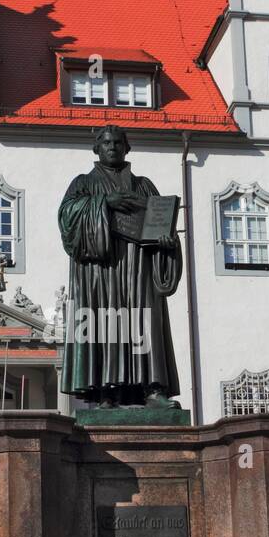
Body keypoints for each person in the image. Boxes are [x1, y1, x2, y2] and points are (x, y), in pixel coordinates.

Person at [58, 125, 182, 407]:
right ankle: (106, 392)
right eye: (106, 143)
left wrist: (167, 243)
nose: (112, 147)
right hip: (100, 270)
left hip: (139, 268)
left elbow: (163, 224)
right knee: (105, 321)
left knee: (144, 321)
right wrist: (103, 203)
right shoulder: (82, 184)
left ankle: (152, 389)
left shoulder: (144, 186)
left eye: (117, 143)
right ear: (96, 149)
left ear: (127, 148)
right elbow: (67, 221)